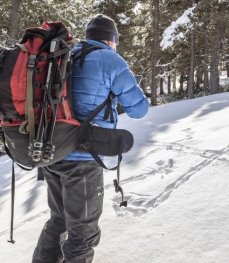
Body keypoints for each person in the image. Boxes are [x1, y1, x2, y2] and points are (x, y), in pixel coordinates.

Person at [32, 14, 149, 263]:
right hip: (83, 159)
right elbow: (139, 110)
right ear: (112, 39)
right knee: (82, 231)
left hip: (53, 153)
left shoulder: (67, 55)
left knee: (59, 220)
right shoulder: (111, 59)